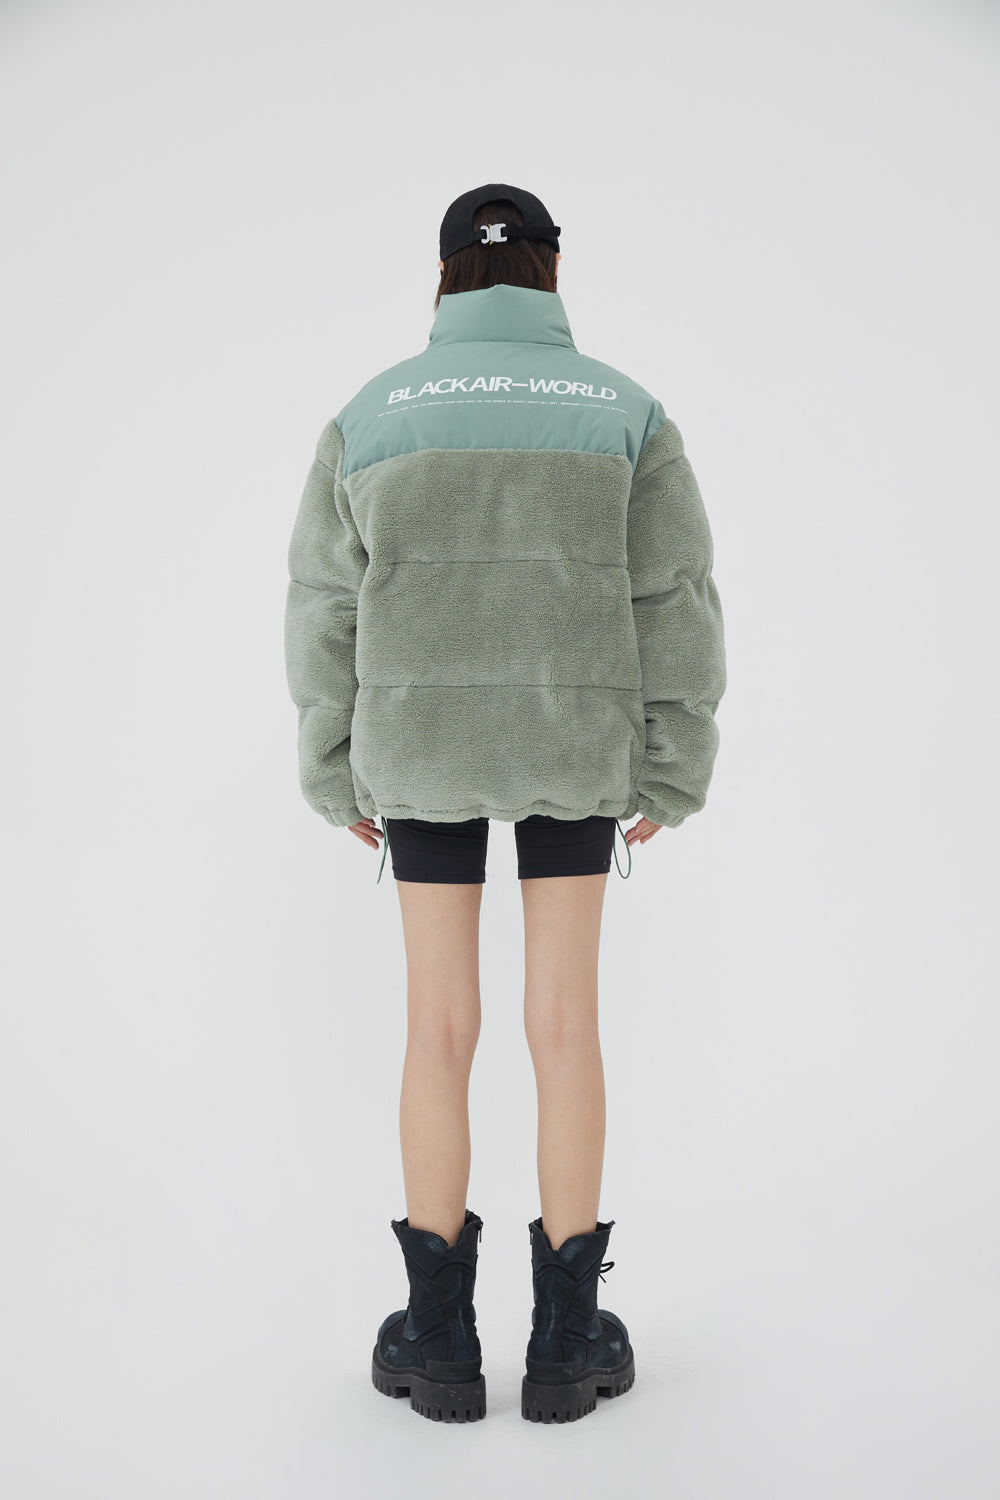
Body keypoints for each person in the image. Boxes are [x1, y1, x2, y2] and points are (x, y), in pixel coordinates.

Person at [284, 183, 727, 1423]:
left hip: (419, 744)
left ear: (441, 278)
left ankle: (435, 1344)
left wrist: (333, 760)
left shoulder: (369, 415)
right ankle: (566, 1346)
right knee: (564, 1027)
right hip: (570, 735)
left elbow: (322, 604)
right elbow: (675, 596)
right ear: (552, 272)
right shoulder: (627, 412)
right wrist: (673, 757)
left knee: (437, 1029)